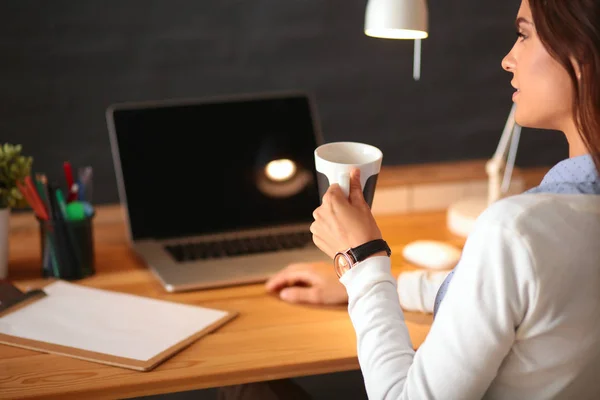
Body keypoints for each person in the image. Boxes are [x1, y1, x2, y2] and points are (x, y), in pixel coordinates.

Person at [219, 0, 600, 398]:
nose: (508, 59)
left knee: (245, 389)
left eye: (523, 34)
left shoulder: (515, 231)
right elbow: (497, 293)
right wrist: (385, 285)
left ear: (583, 55)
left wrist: (361, 261)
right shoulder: (544, 232)